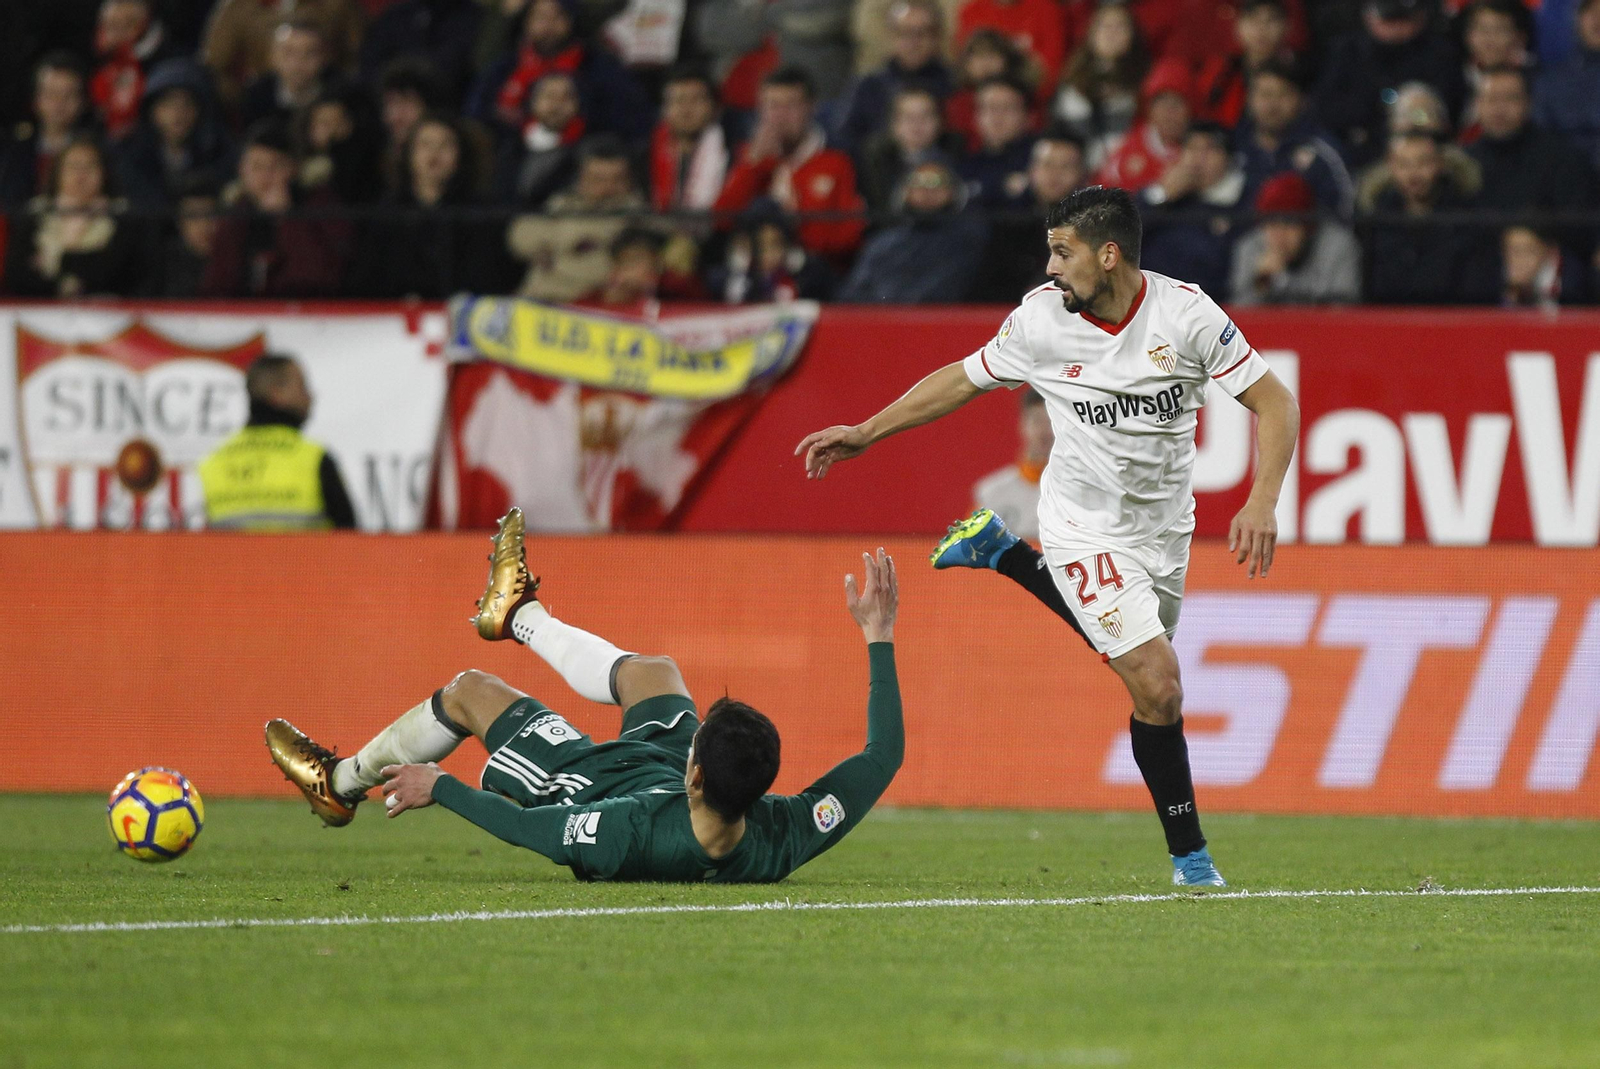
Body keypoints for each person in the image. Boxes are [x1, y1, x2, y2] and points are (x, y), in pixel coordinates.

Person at [797, 186, 1301, 887]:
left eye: (1063, 252)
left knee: (1147, 687)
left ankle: (1004, 553)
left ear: (1109, 254)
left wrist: (1263, 501)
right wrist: (867, 431)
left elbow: (1275, 401)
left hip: (1164, 532)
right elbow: (963, 379)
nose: (1051, 266)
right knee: (1160, 683)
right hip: (1079, 525)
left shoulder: (1186, 314)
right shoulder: (1040, 319)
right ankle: (1192, 861)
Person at [265, 510, 904, 885]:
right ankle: (519, 616)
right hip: (661, 776)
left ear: (697, 774)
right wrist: (878, 634)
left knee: (470, 690)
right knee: (655, 673)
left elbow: (531, 830)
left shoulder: (628, 836)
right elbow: (884, 755)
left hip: (592, 784)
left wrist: (442, 785)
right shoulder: (786, 831)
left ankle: (338, 784)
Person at [713, 66, 866, 265]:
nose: (781, 116)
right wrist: (753, 166)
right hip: (750, 270)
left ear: (812, 107)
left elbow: (848, 237)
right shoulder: (748, 156)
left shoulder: (837, 161)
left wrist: (793, 234)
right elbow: (721, 220)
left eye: (791, 105)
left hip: (813, 269)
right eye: (773, 105)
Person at [198, 352, 357, 531]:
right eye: (302, 386)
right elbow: (350, 538)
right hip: (303, 551)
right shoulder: (313, 457)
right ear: (277, 393)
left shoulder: (214, 460)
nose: (310, 396)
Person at [506, 134, 646, 302]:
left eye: (618, 179)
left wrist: (551, 254)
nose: (608, 187)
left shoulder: (638, 214)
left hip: (588, 304)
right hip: (533, 297)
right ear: (581, 178)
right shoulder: (562, 203)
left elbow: (602, 269)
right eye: (598, 179)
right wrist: (572, 241)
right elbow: (519, 236)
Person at [1363, 131, 1497, 303]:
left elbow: (1479, 291)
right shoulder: (1375, 222)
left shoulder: (1469, 220)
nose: (1414, 174)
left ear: (1440, 164)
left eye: (1423, 163)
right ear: (1391, 166)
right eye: (1404, 164)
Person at [3, 135, 145, 298]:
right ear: (57, 172)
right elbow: (17, 276)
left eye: (89, 167)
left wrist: (60, 258)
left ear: (104, 173)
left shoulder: (122, 216)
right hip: (40, 308)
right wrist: (64, 284)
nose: (81, 176)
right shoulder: (35, 214)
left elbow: (115, 274)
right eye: (73, 166)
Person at [837, 160, 986, 302]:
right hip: (879, 317)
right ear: (905, 191)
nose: (927, 191)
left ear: (953, 192)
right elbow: (853, 293)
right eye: (918, 182)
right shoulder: (883, 243)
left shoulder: (967, 239)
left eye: (937, 183)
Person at [836, 0, 954, 153]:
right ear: (892, 37)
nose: (913, 42)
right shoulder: (869, 86)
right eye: (905, 33)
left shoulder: (953, 84)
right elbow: (846, 138)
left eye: (922, 33)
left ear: (936, 37)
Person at [1229, 172, 1361, 305]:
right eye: (1271, 223)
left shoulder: (1337, 247)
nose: (1279, 234)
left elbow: (1343, 309)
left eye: (1288, 222)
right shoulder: (1250, 248)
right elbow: (1238, 312)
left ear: (1308, 226)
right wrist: (1261, 285)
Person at [0, 53, 94, 210]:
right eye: (51, 94)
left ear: (83, 101)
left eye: (69, 95)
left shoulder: (97, 148)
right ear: (36, 100)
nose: (59, 103)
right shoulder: (14, 150)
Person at [972, 387, 1051, 541]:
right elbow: (972, 550)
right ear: (1022, 424)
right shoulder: (991, 493)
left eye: (1051, 422)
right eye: (1036, 420)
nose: (1044, 431)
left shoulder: (1080, 489)